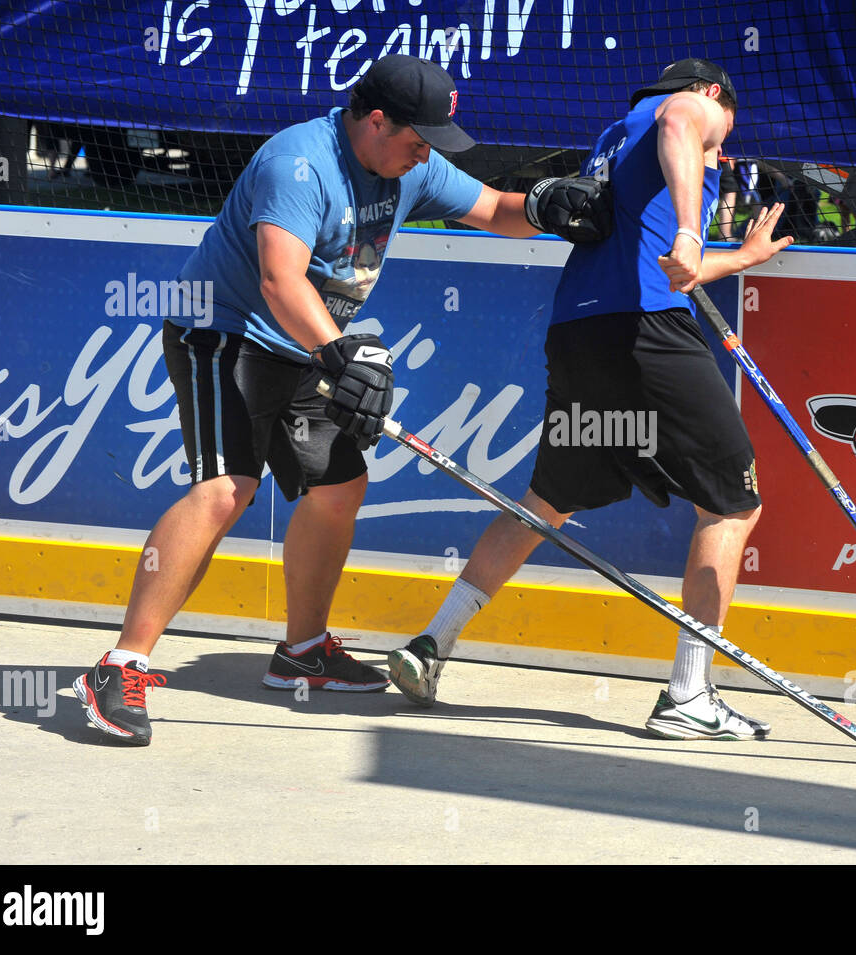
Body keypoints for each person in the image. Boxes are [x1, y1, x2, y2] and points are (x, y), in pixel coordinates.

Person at [72, 55, 603, 745]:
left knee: (339, 487)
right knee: (227, 488)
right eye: (418, 140)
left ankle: (302, 651)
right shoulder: (298, 165)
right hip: (223, 331)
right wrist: (343, 352)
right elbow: (279, 279)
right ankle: (120, 665)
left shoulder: (408, 165)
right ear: (376, 121)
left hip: (306, 346)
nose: (425, 155)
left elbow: (495, 209)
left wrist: (544, 206)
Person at [386, 58, 794, 740]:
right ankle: (689, 695)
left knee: (543, 504)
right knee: (732, 505)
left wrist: (735, 257)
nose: (720, 145)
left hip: (581, 334)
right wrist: (693, 231)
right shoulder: (685, 109)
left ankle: (431, 644)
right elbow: (681, 123)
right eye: (725, 128)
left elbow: (667, 264)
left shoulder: (615, 137)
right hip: (649, 332)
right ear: (711, 93)